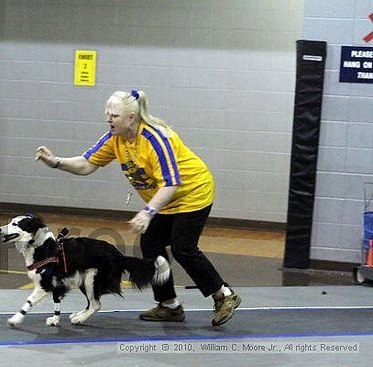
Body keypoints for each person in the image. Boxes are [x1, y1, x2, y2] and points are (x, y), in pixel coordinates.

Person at [35, 90, 241, 326]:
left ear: (131, 117)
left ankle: (224, 295)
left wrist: (148, 212)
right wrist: (56, 162)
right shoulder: (115, 139)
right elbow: (87, 163)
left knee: (183, 247)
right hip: (164, 199)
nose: (108, 120)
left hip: (192, 193)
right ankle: (169, 306)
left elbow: (172, 183)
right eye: (107, 115)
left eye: (114, 116)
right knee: (151, 243)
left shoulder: (156, 139)